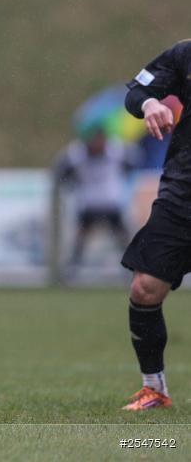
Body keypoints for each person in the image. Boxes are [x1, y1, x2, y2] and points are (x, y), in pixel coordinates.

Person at [119, 39, 191, 411]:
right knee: (145, 288)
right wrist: (150, 103)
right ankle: (154, 389)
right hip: (184, 191)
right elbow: (137, 92)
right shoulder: (185, 54)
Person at [52, 128, 137, 277]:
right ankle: (70, 272)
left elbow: (134, 163)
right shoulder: (76, 155)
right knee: (80, 241)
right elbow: (60, 171)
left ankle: (132, 270)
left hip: (111, 202)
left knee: (123, 240)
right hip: (89, 203)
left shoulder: (117, 151)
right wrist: (72, 182)